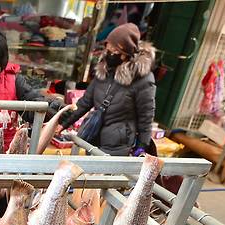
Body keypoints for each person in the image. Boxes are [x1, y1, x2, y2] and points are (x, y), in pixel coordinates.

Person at [61, 23, 156, 156]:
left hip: (118, 145)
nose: (110, 51)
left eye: (115, 49)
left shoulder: (143, 79)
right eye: (108, 46)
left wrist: (141, 147)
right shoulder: (103, 69)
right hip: (94, 138)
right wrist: (62, 124)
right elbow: (84, 103)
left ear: (126, 53)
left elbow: (146, 116)